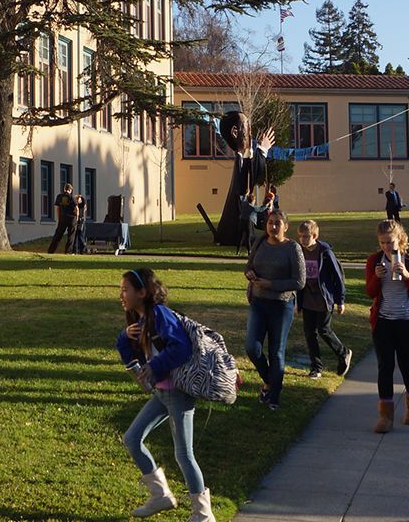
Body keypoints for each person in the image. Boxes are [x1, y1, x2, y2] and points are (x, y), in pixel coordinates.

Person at [117, 268, 215, 522]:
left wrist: (155, 367)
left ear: (142, 292)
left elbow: (180, 348)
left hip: (178, 392)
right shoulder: (140, 321)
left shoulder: (160, 314)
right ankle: (161, 495)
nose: (121, 295)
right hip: (162, 392)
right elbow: (132, 360)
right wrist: (124, 338)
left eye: (125, 290)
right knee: (132, 439)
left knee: (183, 455)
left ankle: (203, 514)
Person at [365, 220, 409, 433]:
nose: (386, 247)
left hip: (407, 321)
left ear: (399, 239)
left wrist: (407, 275)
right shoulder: (374, 260)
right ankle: (386, 416)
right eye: (382, 242)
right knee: (385, 366)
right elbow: (370, 292)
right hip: (383, 321)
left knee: (406, 365)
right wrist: (376, 277)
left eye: (389, 242)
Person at [244, 210, 306, 410]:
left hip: (281, 305)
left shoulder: (292, 248)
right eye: (270, 222)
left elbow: (299, 281)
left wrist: (270, 284)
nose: (273, 226)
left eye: (278, 223)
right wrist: (250, 274)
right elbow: (248, 266)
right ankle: (270, 381)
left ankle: (274, 397)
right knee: (252, 348)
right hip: (258, 303)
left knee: (276, 352)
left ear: (285, 227)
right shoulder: (260, 242)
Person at [296, 220, 351, 379]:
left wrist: (340, 300)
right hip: (307, 299)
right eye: (300, 236)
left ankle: (343, 352)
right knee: (309, 333)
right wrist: (298, 302)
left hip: (324, 299)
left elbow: (337, 276)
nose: (303, 240)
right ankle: (316, 367)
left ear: (314, 236)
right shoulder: (300, 251)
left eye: (306, 236)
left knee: (323, 330)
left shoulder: (325, 252)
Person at [214, 111, 275, 247]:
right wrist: (262, 150)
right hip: (237, 227)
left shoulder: (243, 158)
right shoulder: (241, 159)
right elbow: (252, 175)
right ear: (235, 132)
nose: (250, 133)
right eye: (247, 126)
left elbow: (251, 171)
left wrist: (260, 151)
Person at [48, 183, 80, 254]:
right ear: (70, 190)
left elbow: (58, 209)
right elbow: (76, 209)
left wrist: (59, 218)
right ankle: (68, 251)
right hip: (72, 218)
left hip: (63, 217)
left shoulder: (59, 196)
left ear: (64, 189)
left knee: (58, 235)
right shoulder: (72, 197)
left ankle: (51, 250)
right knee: (71, 235)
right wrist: (77, 218)